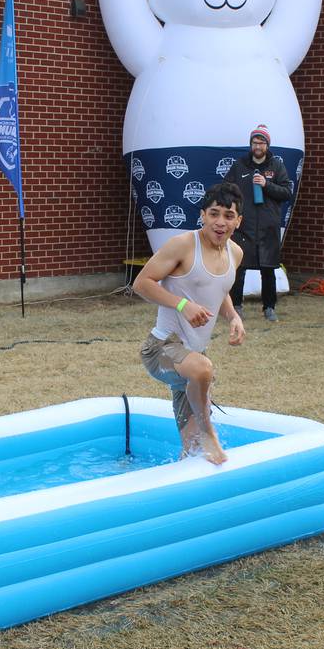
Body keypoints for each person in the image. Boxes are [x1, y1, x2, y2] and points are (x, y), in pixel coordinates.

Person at [133, 181, 246, 464]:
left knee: (195, 452)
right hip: (161, 349)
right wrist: (182, 305)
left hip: (193, 358)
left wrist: (233, 316)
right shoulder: (183, 245)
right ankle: (211, 433)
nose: (221, 222)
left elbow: (218, 290)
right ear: (202, 215)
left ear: (238, 221)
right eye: (214, 214)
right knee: (203, 370)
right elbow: (141, 283)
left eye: (228, 216)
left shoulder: (235, 253)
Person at [225, 124, 294, 322]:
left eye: (261, 142)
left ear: (267, 145)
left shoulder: (276, 166)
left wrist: (267, 184)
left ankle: (269, 308)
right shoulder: (240, 165)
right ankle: (236, 307)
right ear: (250, 144)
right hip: (244, 227)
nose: (258, 145)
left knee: (268, 269)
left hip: (268, 227)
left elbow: (286, 192)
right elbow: (227, 188)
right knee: (239, 269)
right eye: (255, 142)